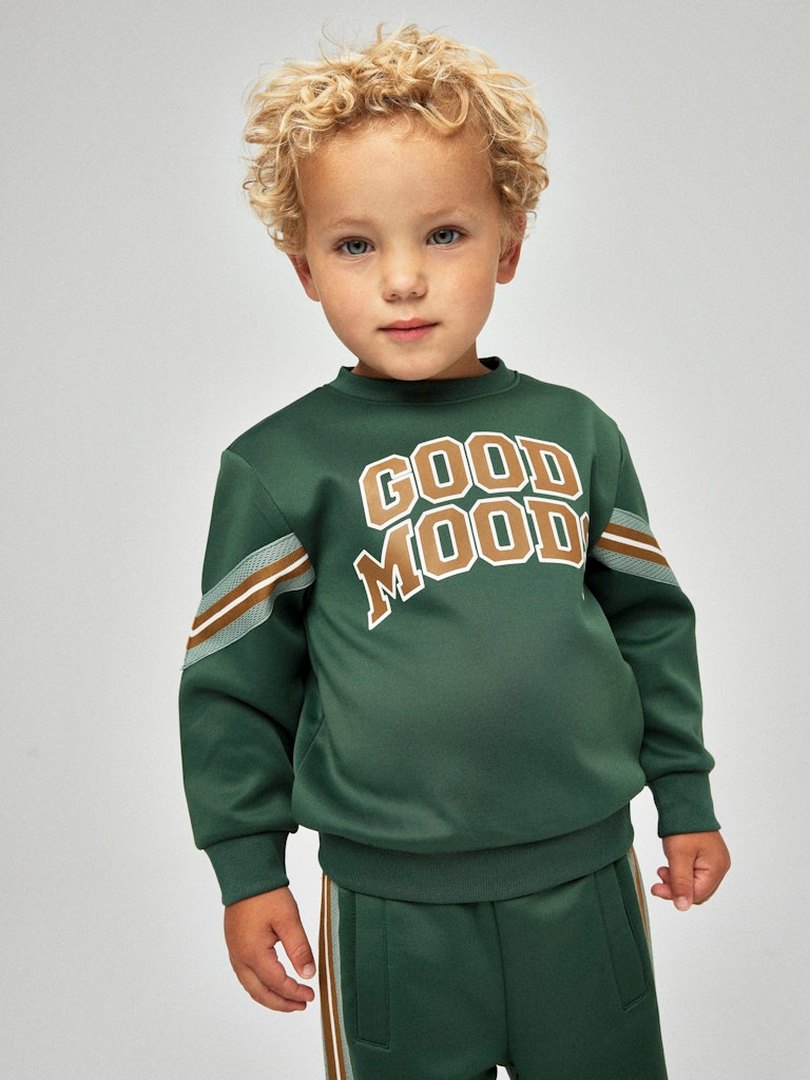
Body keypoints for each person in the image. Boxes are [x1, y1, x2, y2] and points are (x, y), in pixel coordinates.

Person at [179, 24, 731, 1080]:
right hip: (392, 909)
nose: (402, 280)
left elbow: (651, 625)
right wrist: (248, 871)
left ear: (507, 245)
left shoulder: (577, 434)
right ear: (303, 268)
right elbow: (231, 689)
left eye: (442, 234)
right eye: (355, 245)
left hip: (586, 882)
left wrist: (686, 796)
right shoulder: (280, 466)